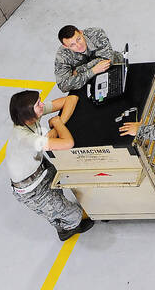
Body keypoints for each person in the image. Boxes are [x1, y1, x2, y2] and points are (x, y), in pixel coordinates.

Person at [6, 90, 94, 240]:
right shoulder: (25, 138)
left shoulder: (30, 117)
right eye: (37, 104)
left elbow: (71, 99)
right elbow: (68, 143)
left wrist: (56, 128)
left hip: (42, 168)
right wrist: (58, 123)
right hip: (31, 189)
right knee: (75, 215)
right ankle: (66, 229)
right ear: (27, 114)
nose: (42, 105)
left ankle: (59, 216)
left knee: (58, 196)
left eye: (40, 101)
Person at [54, 25, 125, 95]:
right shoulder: (62, 55)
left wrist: (79, 70)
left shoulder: (96, 33)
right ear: (65, 46)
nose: (79, 46)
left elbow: (108, 60)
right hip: (86, 82)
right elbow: (63, 86)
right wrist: (93, 71)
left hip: (113, 67)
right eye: (72, 45)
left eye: (78, 39)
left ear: (81, 32)